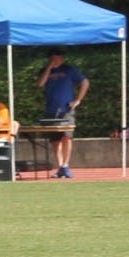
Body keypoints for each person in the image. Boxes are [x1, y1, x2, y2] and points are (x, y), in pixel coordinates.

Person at [36, 47, 89, 178]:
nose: (56, 59)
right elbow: (40, 84)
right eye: (53, 57)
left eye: (58, 56)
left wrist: (78, 100)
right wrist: (49, 68)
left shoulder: (69, 70)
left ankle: (66, 165)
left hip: (66, 109)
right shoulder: (45, 71)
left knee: (67, 136)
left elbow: (85, 82)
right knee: (55, 139)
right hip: (51, 108)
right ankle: (60, 166)